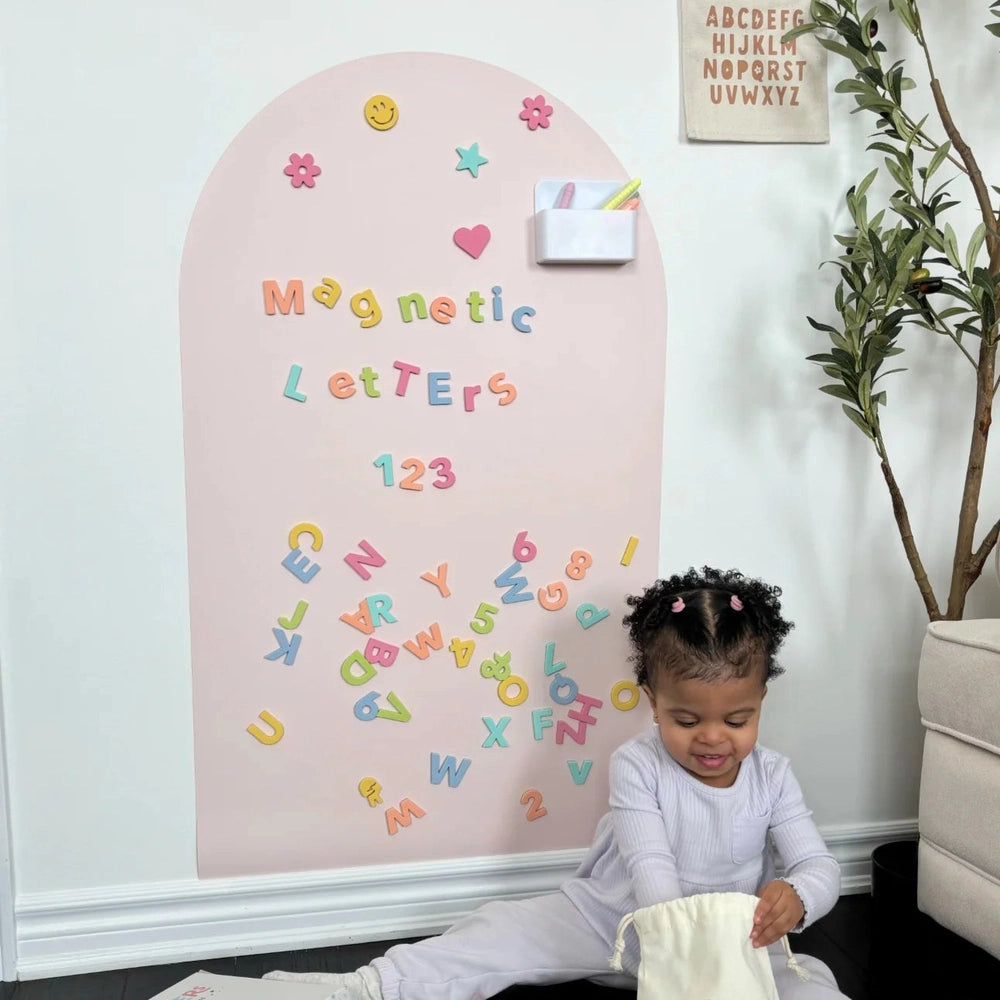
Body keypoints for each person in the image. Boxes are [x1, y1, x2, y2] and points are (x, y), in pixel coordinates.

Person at [265, 567, 850, 1000]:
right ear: (653, 703)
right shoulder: (637, 765)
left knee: (812, 983)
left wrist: (797, 898)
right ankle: (373, 987)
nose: (713, 739)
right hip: (612, 925)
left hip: (732, 941)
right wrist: (677, 948)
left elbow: (819, 866)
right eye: (686, 720)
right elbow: (651, 869)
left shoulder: (772, 776)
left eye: (738, 720)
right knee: (498, 931)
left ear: (761, 701)